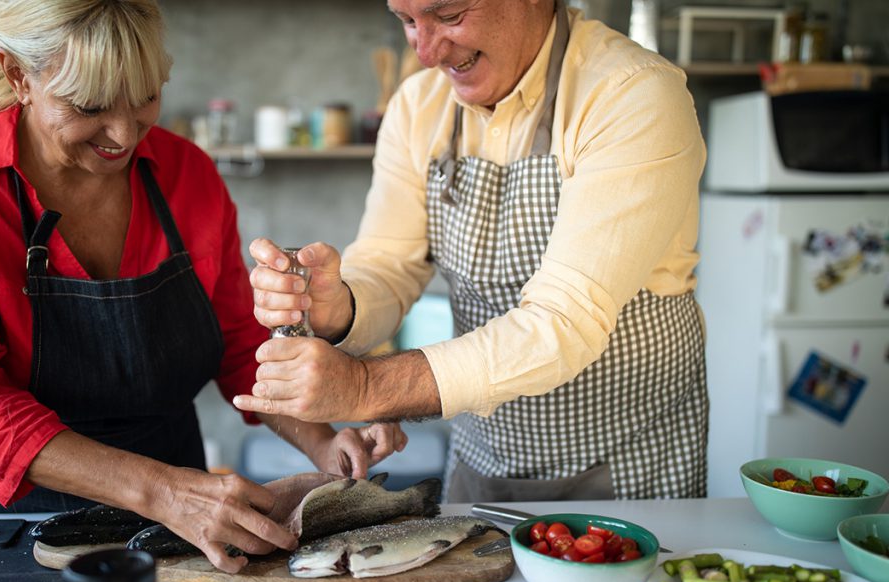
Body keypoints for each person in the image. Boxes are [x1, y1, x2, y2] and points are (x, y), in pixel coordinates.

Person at [0, 0, 405, 573]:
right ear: (18, 76)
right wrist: (163, 492)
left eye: (144, 100)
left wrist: (322, 442)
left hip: (178, 529)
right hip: (11, 525)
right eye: (89, 106)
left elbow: (236, 343)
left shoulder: (188, 174)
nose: (123, 135)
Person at [236, 0, 708, 503]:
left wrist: (364, 388)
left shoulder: (631, 93)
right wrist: (340, 306)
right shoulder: (418, 105)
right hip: (484, 456)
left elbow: (563, 323)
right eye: (408, 21)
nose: (426, 52)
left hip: (630, 465)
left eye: (450, 15)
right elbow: (389, 264)